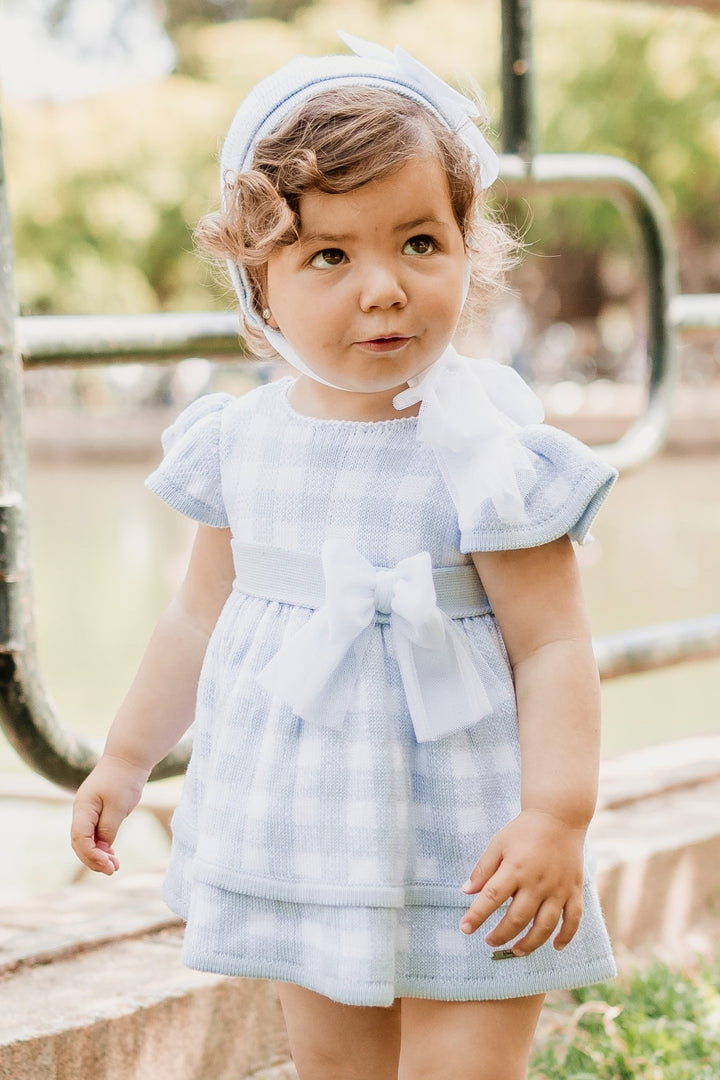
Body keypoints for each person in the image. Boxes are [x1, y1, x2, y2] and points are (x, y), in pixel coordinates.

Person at [71, 32, 617, 1080]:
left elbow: (552, 645)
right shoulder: (240, 443)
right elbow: (196, 618)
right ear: (259, 287)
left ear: (468, 247)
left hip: (475, 840)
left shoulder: (484, 449)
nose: (384, 288)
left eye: (420, 243)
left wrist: (556, 817)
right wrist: (127, 757)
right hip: (309, 829)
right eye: (330, 255)